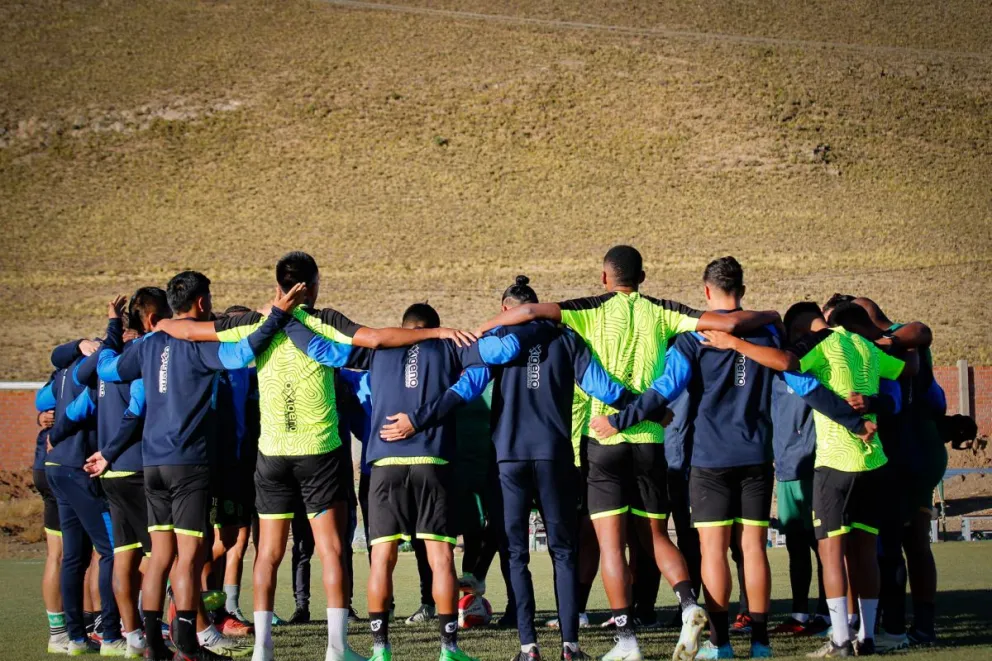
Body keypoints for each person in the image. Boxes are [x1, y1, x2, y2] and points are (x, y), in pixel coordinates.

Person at [154, 252, 474, 661]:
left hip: (272, 454)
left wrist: (164, 323)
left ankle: (262, 650)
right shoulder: (324, 319)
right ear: (312, 284)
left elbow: (194, 333)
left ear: (278, 284)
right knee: (332, 551)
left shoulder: (253, 323)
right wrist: (437, 333)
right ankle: (337, 649)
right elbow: (376, 339)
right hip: (319, 453)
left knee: (268, 554)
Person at [474, 246, 783, 661]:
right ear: (644, 276)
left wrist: (491, 322)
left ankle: (627, 641)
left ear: (605, 278)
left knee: (610, 545)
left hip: (605, 438)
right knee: (655, 536)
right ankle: (689, 602)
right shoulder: (665, 310)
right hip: (650, 438)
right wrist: (770, 316)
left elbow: (531, 315)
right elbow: (728, 321)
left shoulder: (588, 310)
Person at [592, 257, 875, 659]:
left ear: (707, 291)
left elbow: (664, 388)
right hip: (757, 456)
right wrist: (853, 420)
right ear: (742, 289)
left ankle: (720, 644)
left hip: (709, 460)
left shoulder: (696, 338)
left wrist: (622, 419)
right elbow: (806, 384)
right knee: (754, 549)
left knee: (713, 551)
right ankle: (760, 644)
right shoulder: (767, 335)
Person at [280, 301, 516, 661]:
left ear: (404, 327)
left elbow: (322, 350)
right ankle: (449, 650)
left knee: (382, 561)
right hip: (432, 462)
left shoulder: (377, 350)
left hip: (384, 465)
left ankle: (380, 651)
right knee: (441, 560)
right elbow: (486, 368)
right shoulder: (452, 346)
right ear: (437, 327)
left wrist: (285, 321)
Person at [96, 272, 304, 661]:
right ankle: (189, 643)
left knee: (159, 555)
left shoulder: (147, 345)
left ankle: (154, 646)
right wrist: (276, 316)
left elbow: (108, 370)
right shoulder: (197, 344)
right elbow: (242, 354)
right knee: (190, 555)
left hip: (152, 464)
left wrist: (110, 330)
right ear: (203, 303)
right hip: (188, 463)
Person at [429, 276, 637, 660]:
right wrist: (641, 404)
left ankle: (529, 648)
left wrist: (422, 418)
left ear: (507, 311)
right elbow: (602, 387)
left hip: (509, 459)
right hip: (555, 457)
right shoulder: (566, 339)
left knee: (516, 554)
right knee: (563, 551)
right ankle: (571, 647)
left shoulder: (496, 349)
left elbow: (466, 388)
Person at [699, 301, 912, 658]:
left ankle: (841, 639)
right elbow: (904, 373)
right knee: (864, 554)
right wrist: (873, 401)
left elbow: (784, 361)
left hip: (835, 462)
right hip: (874, 462)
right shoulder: (867, 348)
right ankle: (868, 637)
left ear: (822, 323)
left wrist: (735, 344)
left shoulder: (825, 340)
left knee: (831, 555)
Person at [830, 299, 943, 649]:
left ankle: (892, 629)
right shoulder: (908, 348)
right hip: (918, 455)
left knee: (888, 546)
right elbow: (936, 400)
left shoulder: (887, 344)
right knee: (910, 543)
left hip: (896, 458)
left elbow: (895, 398)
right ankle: (915, 626)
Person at [45, 331, 122, 656]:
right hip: (79, 469)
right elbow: (82, 407)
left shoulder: (63, 371)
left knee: (74, 557)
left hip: (56, 466)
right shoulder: (90, 374)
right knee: (111, 551)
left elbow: (46, 392)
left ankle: (74, 637)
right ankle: (109, 633)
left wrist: (54, 433)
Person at [33, 372, 69, 653]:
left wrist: (43, 417)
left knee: (58, 554)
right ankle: (97, 626)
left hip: (44, 467)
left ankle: (59, 633)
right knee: (96, 552)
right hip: (67, 466)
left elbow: (43, 407)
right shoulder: (91, 369)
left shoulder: (60, 375)